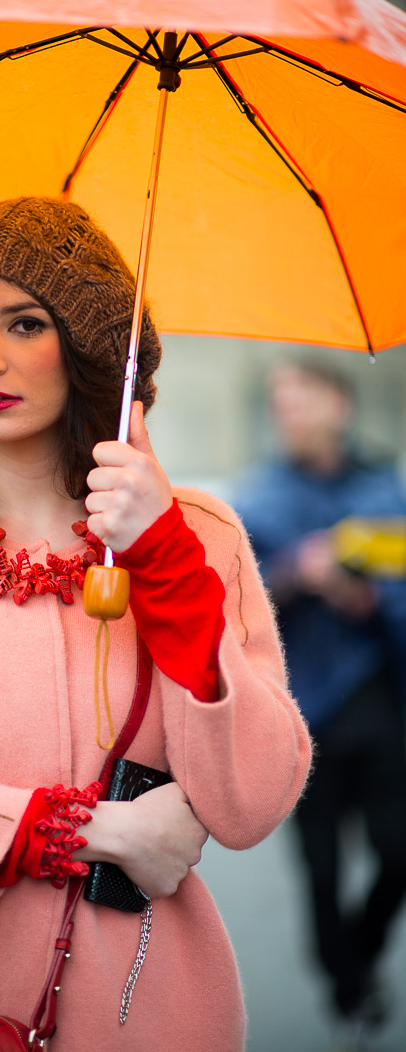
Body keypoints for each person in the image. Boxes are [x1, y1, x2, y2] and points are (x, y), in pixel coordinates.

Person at [0, 197, 311, 1052]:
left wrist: (162, 558)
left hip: (152, 1015)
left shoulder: (202, 537)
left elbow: (251, 800)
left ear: (94, 354)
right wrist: (89, 831)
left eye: (24, 323)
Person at [234, 361, 406, 1042]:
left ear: (338, 403)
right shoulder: (257, 498)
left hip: (380, 698)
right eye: (278, 401)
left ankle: (355, 963)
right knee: (321, 867)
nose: (289, 412)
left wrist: (369, 594)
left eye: (300, 397)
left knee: (400, 852)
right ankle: (346, 984)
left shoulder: (383, 485)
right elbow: (236, 605)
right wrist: (297, 573)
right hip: (300, 708)